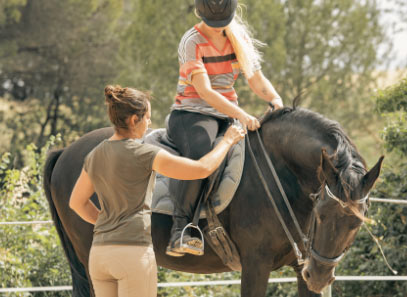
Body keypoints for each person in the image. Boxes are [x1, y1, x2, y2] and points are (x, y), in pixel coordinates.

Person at [69, 85, 245, 297]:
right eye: (147, 118)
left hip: (100, 255)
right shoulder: (145, 153)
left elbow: (77, 203)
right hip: (132, 255)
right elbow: (202, 169)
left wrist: (108, 225)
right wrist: (227, 140)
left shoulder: (95, 154)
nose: (150, 123)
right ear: (134, 120)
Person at [166, 0, 284, 257]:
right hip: (192, 114)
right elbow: (205, 92)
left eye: (222, 23)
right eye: (212, 24)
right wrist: (241, 114)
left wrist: (275, 100)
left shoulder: (238, 37)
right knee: (202, 153)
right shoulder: (191, 41)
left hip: (228, 114)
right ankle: (180, 229)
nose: (218, 28)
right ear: (200, 14)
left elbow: (254, 77)